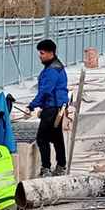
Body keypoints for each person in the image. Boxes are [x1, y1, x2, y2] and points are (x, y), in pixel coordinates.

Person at [31, 39, 70, 177]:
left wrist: (33, 105)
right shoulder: (56, 66)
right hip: (56, 106)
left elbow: (46, 90)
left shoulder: (52, 70)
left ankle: (46, 168)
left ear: (50, 53)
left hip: (52, 107)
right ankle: (61, 166)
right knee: (56, 137)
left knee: (42, 139)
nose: (40, 56)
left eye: (42, 53)